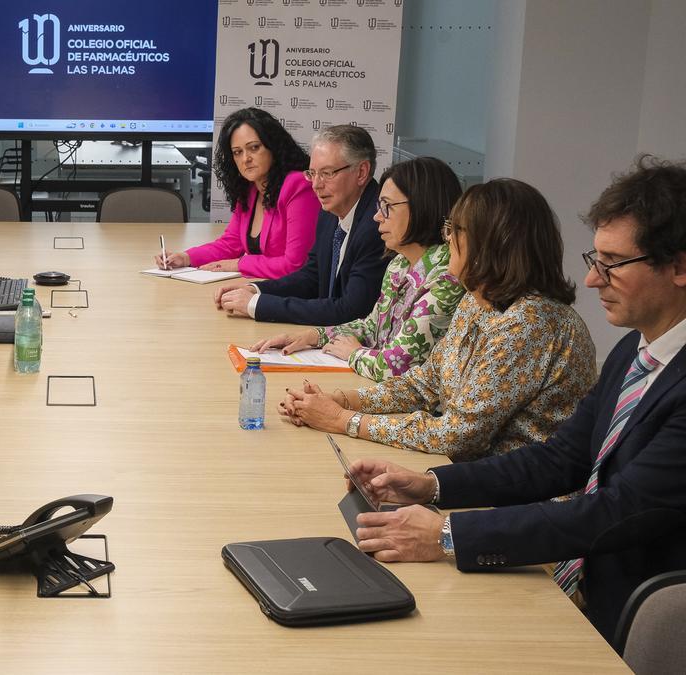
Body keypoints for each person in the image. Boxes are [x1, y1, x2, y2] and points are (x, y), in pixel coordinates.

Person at [344, 157, 686, 649]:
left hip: (626, 618)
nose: (592, 281)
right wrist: (431, 484)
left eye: (612, 264)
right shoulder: (638, 349)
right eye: (595, 261)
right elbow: (561, 458)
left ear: (678, 267)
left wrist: (449, 534)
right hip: (572, 568)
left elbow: (617, 511)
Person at [281, 178, 596, 461]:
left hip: (516, 502)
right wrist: (340, 400)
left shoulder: (530, 322)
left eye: (455, 230)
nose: (447, 240)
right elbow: (423, 385)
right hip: (477, 479)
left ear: (489, 245)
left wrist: (341, 419)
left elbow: (458, 436)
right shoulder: (477, 302)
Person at [251, 157, 465, 381]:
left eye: (387, 207)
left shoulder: (446, 276)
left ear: (423, 206)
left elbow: (395, 368)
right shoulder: (399, 264)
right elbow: (372, 327)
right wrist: (313, 336)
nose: (377, 216)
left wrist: (354, 353)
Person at [213, 124, 388, 325]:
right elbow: (312, 276)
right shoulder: (331, 210)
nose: (316, 185)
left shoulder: (377, 225)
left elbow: (350, 311)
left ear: (361, 172)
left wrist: (257, 305)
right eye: (312, 173)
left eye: (327, 173)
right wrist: (256, 289)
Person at [156, 107, 320, 278]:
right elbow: (230, 245)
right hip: (261, 287)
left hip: (294, 296)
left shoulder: (299, 185)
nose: (245, 159)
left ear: (274, 147)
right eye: (237, 152)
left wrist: (239, 264)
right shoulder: (250, 189)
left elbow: (296, 265)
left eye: (254, 148)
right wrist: (185, 257)